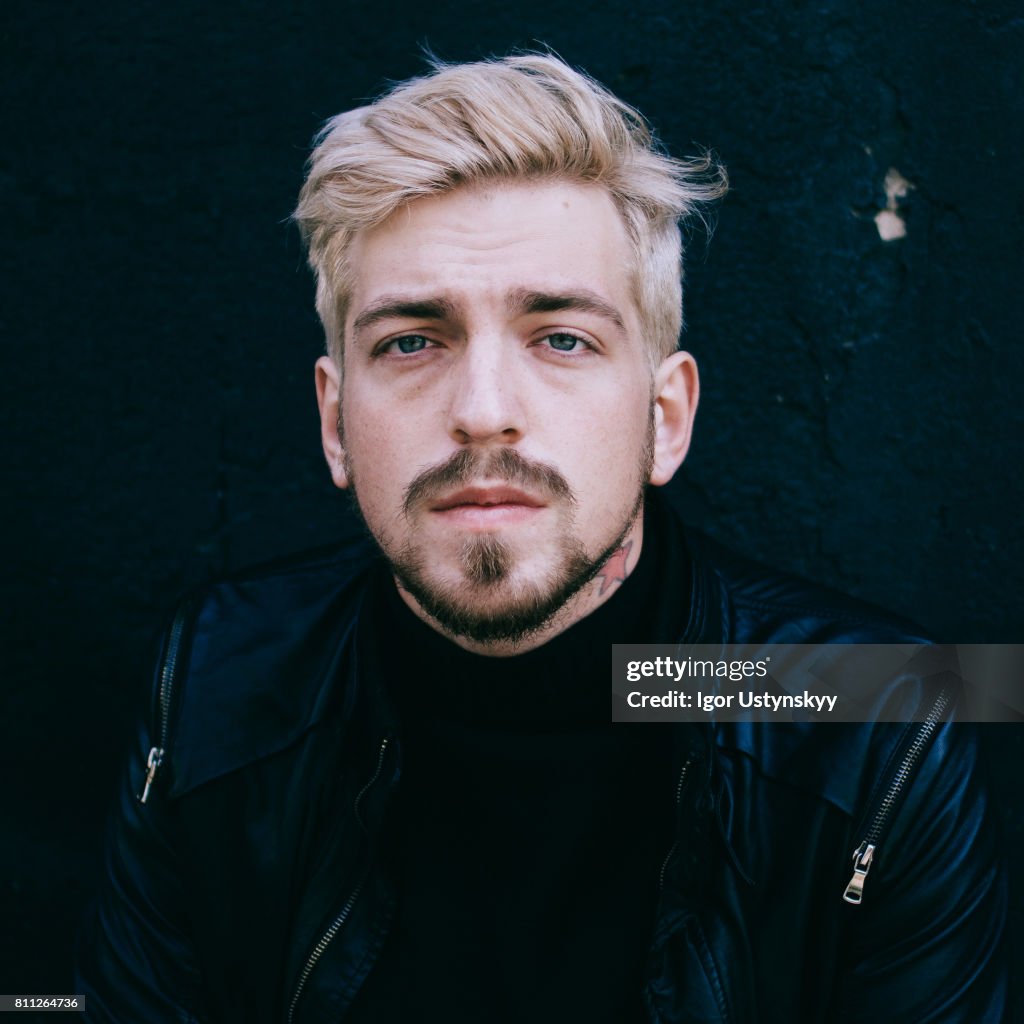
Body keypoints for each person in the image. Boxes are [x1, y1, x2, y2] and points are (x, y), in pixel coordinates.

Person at [76, 53, 1007, 1023]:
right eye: (410, 341)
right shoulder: (219, 681)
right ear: (333, 420)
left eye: (561, 337)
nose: (482, 412)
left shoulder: (874, 719)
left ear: (665, 418)